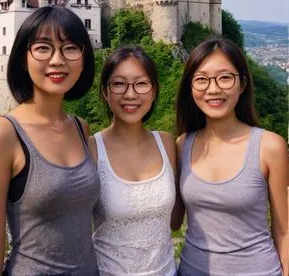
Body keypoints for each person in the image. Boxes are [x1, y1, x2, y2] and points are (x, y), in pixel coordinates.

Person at [0, 6, 100, 276]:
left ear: (83, 58)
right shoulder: (2, 134)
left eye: (70, 48)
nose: (57, 60)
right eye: (43, 48)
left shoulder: (80, 128)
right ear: (23, 58)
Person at [172, 37, 288, 276]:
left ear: (242, 83)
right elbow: (173, 221)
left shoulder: (269, 146)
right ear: (190, 87)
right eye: (201, 79)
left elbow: (284, 231)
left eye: (225, 77)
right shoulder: (183, 145)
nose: (213, 89)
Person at [90, 46, 177, 276]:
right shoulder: (90, 149)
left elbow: (176, 220)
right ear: (105, 92)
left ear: (154, 91)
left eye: (141, 84)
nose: (130, 94)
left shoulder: (167, 144)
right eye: (119, 84)